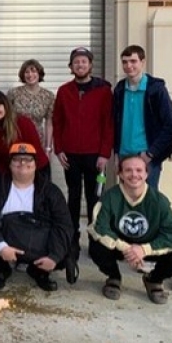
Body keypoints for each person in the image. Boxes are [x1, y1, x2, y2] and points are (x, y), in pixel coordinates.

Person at [88, 155, 172, 304]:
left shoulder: (159, 201)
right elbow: (98, 227)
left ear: (146, 174)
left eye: (139, 170)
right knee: (96, 247)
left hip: (149, 247)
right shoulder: (110, 197)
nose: (134, 174)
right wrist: (127, 248)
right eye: (128, 170)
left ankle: (154, 280)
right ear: (120, 174)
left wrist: (144, 249)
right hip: (121, 247)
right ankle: (114, 277)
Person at [0, 143, 73, 292]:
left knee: (69, 247)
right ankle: (1, 270)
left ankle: (40, 271)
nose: (22, 163)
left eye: (28, 159)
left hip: (38, 246)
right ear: (10, 164)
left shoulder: (51, 191)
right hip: (7, 244)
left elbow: (63, 224)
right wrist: (1, 247)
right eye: (17, 159)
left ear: (35, 164)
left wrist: (54, 256)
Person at [53, 46, 113, 259]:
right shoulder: (64, 91)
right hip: (71, 155)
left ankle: (96, 241)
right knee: (74, 197)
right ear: (71, 67)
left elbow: (108, 123)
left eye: (84, 61)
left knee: (95, 197)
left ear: (90, 65)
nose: (80, 65)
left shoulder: (104, 90)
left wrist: (105, 153)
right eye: (76, 62)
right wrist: (58, 149)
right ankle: (72, 241)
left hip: (95, 156)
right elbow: (57, 121)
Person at [112, 45, 172, 190]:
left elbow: (170, 127)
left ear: (142, 62)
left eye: (133, 61)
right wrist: (116, 153)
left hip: (146, 157)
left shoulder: (156, 89)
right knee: (127, 201)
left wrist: (151, 153)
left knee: (148, 202)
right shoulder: (120, 89)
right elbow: (115, 123)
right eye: (125, 62)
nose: (129, 66)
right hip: (124, 155)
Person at [0, 90, 49, 179]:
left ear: (5, 106)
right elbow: (0, 159)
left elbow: (35, 151)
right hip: (10, 175)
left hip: (36, 170)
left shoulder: (22, 122)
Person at [7, 59, 55, 159]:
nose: (30, 75)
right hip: (17, 139)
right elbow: (7, 118)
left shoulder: (48, 96)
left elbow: (49, 123)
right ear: (23, 75)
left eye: (33, 71)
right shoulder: (13, 93)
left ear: (39, 74)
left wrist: (48, 147)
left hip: (38, 140)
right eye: (27, 72)